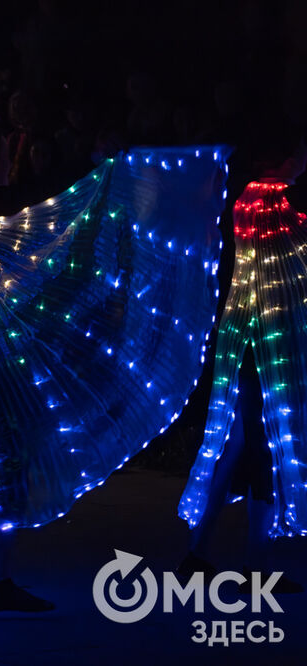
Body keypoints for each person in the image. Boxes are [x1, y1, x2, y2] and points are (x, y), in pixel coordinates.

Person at [0, 147, 228, 610]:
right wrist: (105, 179)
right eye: (3, 148)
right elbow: (42, 230)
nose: (9, 157)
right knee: (3, 465)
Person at [178, 133, 307, 592]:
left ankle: (198, 553)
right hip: (269, 345)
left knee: (236, 445)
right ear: (289, 157)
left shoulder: (245, 198)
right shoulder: (281, 204)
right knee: (263, 448)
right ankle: (257, 567)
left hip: (242, 337)